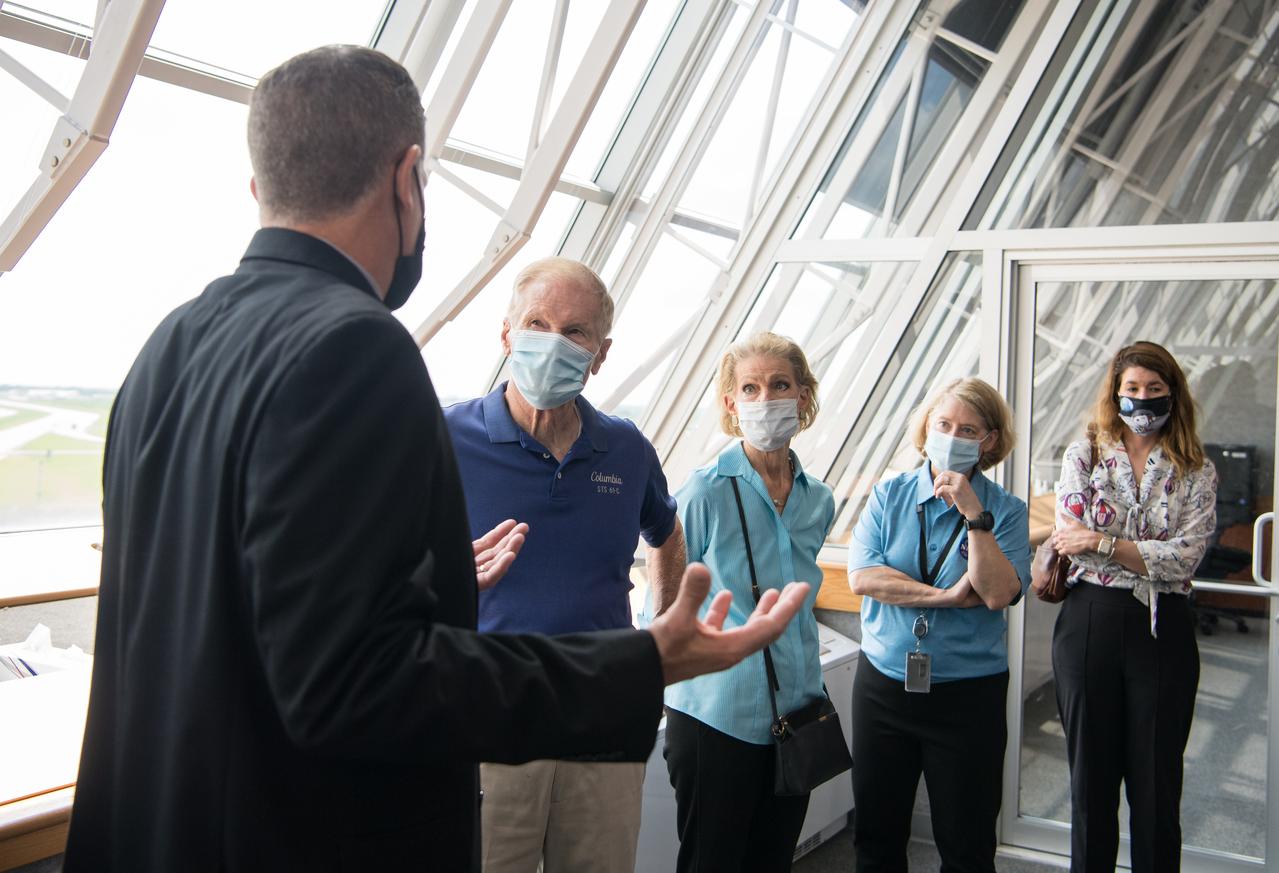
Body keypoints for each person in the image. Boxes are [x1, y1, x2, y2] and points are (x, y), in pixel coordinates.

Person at [61, 45, 811, 873]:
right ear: (406, 176)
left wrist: (427, 582)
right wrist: (639, 661)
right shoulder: (352, 345)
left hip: (165, 824)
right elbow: (351, 682)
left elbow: (243, 601)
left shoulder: (171, 343)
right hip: (294, 830)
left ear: (262, 187)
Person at [443, 256, 687, 873]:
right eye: (537, 322)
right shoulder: (444, 439)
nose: (553, 342)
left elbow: (666, 530)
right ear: (506, 335)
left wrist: (661, 633)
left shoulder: (626, 447)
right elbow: (380, 567)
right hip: (489, 716)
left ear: (600, 353)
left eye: (575, 331)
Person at [662, 331, 835, 873]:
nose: (766, 400)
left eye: (780, 385)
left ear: (803, 396)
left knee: (772, 860)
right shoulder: (705, 491)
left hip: (798, 708)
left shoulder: (818, 499)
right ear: (731, 402)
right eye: (751, 388)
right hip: (717, 717)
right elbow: (664, 596)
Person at [847, 377, 1029, 873]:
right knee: (876, 837)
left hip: (968, 696)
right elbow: (864, 577)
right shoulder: (890, 496)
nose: (951, 435)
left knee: (966, 844)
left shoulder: (1006, 512)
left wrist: (975, 516)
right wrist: (948, 597)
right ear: (926, 427)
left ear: (988, 441)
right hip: (883, 687)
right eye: (942, 423)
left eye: (967, 429)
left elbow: (995, 592)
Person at [1050, 340, 1217, 873]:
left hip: (1163, 628)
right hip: (1089, 619)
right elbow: (1066, 536)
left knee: (1155, 787)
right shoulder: (1086, 455)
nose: (1142, 399)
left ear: (1174, 395)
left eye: (1155, 390)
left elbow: (1185, 559)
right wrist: (1140, 554)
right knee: (1090, 786)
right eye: (1132, 390)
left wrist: (1103, 545)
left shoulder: (1195, 467)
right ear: (1115, 393)